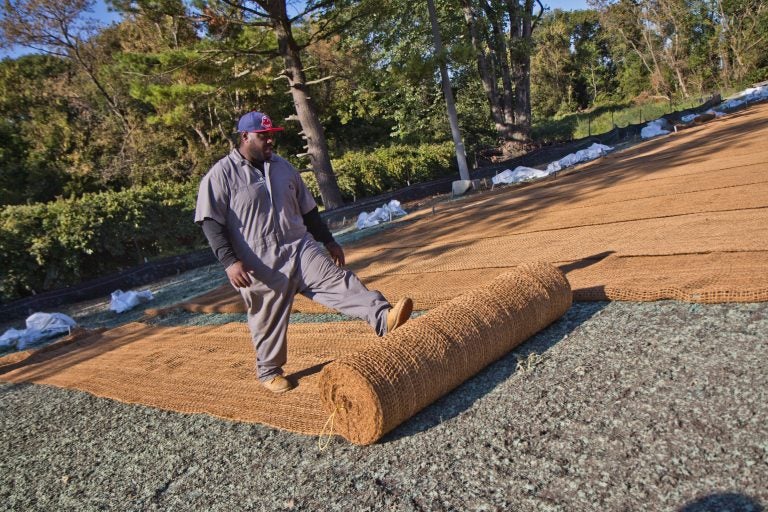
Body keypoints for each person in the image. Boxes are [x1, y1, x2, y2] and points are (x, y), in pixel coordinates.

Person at [195, 111, 413, 393]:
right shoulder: (221, 175)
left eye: (271, 135)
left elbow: (309, 211)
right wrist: (229, 261)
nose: (269, 140)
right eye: (263, 136)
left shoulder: (283, 167)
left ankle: (383, 318)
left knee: (338, 280)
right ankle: (269, 371)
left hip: (299, 246)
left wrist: (329, 241)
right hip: (258, 261)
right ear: (244, 137)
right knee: (266, 318)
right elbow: (211, 222)